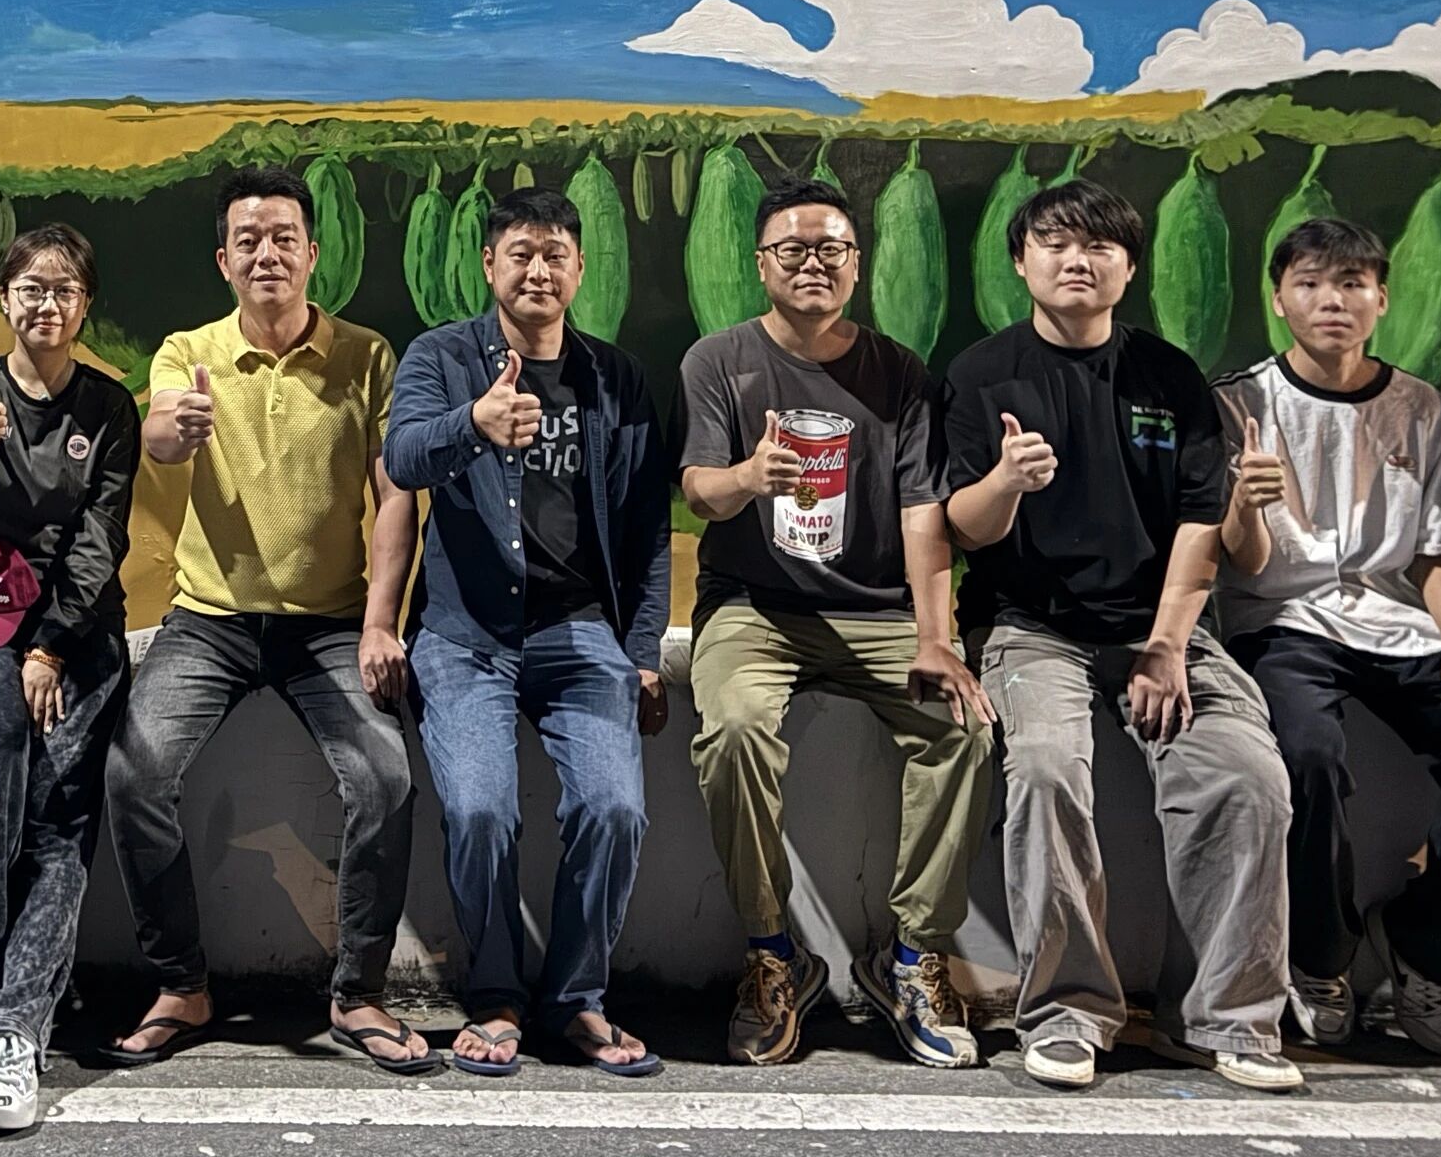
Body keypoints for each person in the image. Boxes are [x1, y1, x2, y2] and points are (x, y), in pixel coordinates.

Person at [940, 180, 1300, 1094]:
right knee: (1046, 772)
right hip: (1032, 631)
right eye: (1055, 243)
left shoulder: (1169, 376)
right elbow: (960, 527)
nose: (1077, 260)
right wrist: (1005, 482)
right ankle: (1066, 1013)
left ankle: (1225, 1019)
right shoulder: (980, 374)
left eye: (1099, 246)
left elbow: (1199, 524)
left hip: (1164, 628)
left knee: (1246, 778)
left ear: (1129, 268)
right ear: (1019, 260)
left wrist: (1168, 645)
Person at [102, 167, 432, 1072]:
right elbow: (157, 435)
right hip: (207, 619)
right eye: (247, 240)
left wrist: (379, 621)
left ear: (312, 253)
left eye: (284, 238)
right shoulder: (188, 350)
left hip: (328, 623)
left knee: (384, 779)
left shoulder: (366, 356)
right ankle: (181, 985)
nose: (267, 255)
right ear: (223, 260)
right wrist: (170, 428)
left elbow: (394, 495)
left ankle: (358, 996)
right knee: (133, 774)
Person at [675, 178, 991, 1070]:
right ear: (760, 264)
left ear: (856, 264)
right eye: (792, 249)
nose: (811, 263)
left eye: (831, 249)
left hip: (876, 609)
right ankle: (773, 954)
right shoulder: (717, 361)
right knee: (735, 729)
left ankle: (912, 957)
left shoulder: (900, 372)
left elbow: (924, 511)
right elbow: (699, 490)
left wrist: (935, 637)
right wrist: (748, 478)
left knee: (962, 728)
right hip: (754, 607)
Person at [1213, 218, 1441, 1057]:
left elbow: (1433, 552)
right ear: (1278, 299)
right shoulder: (1240, 403)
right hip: (1281, 619)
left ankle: (1427, 948)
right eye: (1311, 284)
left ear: (1381, 300)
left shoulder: (1419, 407)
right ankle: (1318, 954)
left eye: (1352, 284)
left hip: (1399, 623)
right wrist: (1244, 504)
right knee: (1306, 754)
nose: (1333, 301)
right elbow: (1240, 564)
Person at [385, 187, 671, 1077]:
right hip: (463, 634)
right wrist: (473, 424)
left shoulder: (615, 379)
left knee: (614, 808)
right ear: (488, 265)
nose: (537, 270)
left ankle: (577, 998)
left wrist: (641, 653)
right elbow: (401, 457)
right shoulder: (441, 358)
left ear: (579, 269)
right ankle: (495, 996)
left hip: (580, 632)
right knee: (478, 810)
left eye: (554, 255)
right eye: (520, 253)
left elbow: (646, 530)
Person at [0, 225, 141, 1133]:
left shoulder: (107, 408)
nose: (47, 304)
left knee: (54, 822)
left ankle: (11, 1027)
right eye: (31, 288)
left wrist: (50, 648)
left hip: (73, 633)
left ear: (86, 306)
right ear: (2, 297)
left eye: (65, 290)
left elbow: (99, 540)